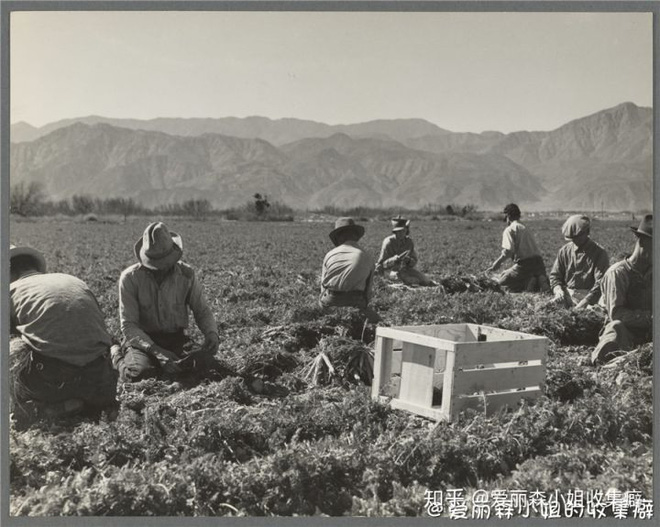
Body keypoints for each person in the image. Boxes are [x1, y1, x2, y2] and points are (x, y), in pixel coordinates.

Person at [9, 245, 118, 422]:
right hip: (101, 380)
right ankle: (90, 402)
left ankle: (49, 407)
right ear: (34, 266)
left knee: (14, 348)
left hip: (54, 382)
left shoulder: (10, 290)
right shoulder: (73, 281)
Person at [114, 222, 220, 382]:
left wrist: (211, 333)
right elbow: (129, 325)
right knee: (140, 375)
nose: (162, 268)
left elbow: (202, 310)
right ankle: (116, 355)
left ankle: (162, 368)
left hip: (175, 338)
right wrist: (157, 352)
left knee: (208, 365)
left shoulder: (186, 275)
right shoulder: (130, 278)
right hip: (142, 341)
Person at [591, 215, 652, 365]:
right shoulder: (617, 273)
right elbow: (617, 314)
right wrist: (650, 318)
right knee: (616, 328)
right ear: (642, 241)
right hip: (626, 333)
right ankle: (605, 364)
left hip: (649, 332)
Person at [319, 217, 378, 319]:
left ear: (338, 237)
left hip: (331, 300)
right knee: (378, 322)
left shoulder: (329, 255)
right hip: (355, 302)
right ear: (355, 236)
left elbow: (323, 286)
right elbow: (368, 291)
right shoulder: (366, 256)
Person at [485, 203, 550, 292]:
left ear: (508, 216)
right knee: (507, 272)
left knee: (501, 282)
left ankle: (527, 281)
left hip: (525, 266)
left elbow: (508, 251)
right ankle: (539, 277)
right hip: (539, 264)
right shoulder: (525, 227)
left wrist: (497, 264)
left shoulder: (510, 229)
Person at [549, 215, 610, 309]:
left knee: (595, 312)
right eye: (572, 238)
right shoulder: (564, 251)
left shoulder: (599, 252)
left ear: (587, 232)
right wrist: (558, 290)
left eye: (578, 237)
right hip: (568, 294)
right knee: (548, 309)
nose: (575, 241)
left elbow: (601, 283)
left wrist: (586, 301)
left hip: (590, 297)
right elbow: (555, 276)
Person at [375, 216, 435, 287]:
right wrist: (393, 260)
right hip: (389, 271)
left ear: (406, 230)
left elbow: (414, 260)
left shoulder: (409, 242)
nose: (401, 233)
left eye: (403, 231)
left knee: (425, 280)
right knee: (406, 280)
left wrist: (409, 261)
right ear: (395, 232)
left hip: (405, 270)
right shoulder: (388, 242)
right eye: (398, 231)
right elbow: (382, 264)